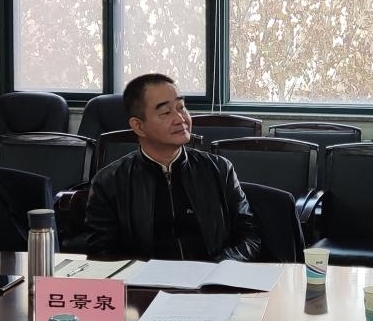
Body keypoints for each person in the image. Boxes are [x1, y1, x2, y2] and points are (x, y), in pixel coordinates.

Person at [85, 73, 261, 262]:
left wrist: (222, 265)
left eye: (181, 107)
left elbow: (250, 236)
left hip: (213, 275)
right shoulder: (109, 182)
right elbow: (101, 253)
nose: (180, 119)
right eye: (165, 113)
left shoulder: (219, 169)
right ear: (138, 126)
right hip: (146, 278)